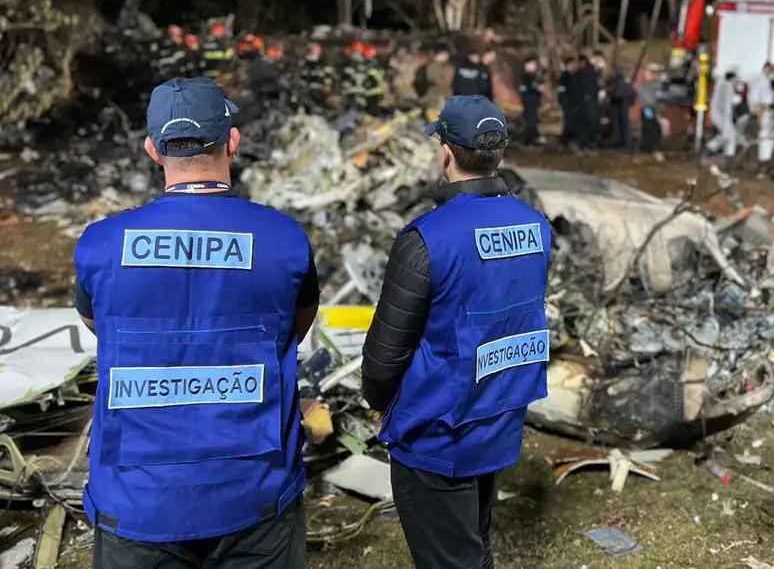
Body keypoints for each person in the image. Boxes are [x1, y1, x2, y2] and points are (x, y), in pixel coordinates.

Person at [73, 77, 319, 567]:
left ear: (152, 149)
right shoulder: (284, 239)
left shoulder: (100, 244)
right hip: (255, 494)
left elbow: (101, 326)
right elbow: (294, 328)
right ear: (232, 140)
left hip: (136, 501)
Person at [362, 95, 551, 569]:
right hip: (496, 416)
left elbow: (384, 357)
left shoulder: (427, 238)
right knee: (472, 543)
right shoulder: (536, 228)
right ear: (498, 153)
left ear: (445, 150)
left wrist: (379, 402)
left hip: (435, 434)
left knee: (452, 556)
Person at [706, 70, 739, 159]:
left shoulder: (722, 85)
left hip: (718, 113)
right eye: (736, 79)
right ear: (732, 78)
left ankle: (714, 148)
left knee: (728, 134)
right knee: (731, 134)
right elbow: (727, 103)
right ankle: (728, 155)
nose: (737, 81)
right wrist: (728, 118)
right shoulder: (728, 86)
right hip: (722, 114)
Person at [748, 62, 774, 165]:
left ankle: (767, 157)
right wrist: (757, 111)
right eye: (769, 69)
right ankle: (763, 159)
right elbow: (753, 97)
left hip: (768, 111)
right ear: (764, 68)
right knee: (764, 135)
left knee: (770, 135)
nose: (770, 72)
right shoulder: (758, 80)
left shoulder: (767, 81)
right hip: (762, 110)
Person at [576, 54, 601, 153]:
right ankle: (590, 143)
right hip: (591, 101)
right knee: (591, 122)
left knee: (586, 124)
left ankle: (586, 144)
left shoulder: (584, 72)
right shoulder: (592, 71)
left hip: (587, 102)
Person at [608, 66, 636, 150]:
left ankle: (626, 143)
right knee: (617, 123)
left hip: (623, 102)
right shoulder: (615, 80)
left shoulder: (625, 80)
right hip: (616, 102)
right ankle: (620, 141)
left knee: (624, 123)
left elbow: (629, 92)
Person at [519, 55, 543, 146]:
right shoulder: (525, 76)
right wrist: (537, 88)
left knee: (533, 121)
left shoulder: (534, 76)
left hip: (534, 101)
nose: (534, 66)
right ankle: (527, 140)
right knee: (530, 121)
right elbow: (528, 88)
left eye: (534, 64)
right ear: (527, 65)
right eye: (532, 64)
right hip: (528, 102)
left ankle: (531, 140)